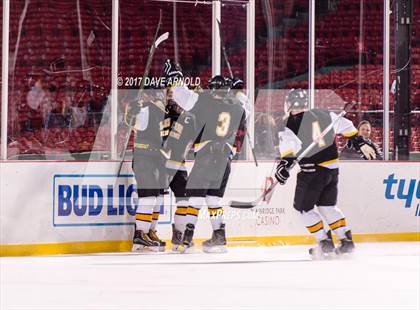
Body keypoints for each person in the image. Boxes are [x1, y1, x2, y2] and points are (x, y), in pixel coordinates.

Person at [275, 89, 377, 259]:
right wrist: (359, 141)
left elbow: (288, 152)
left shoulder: (289, 125)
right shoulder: (325, 114)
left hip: (312, 172)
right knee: (327, 207)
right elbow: (348, 127)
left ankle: (324, 243)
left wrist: (284, 166)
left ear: (289, 104)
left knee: (303, 209)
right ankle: (346, 241)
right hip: (332, 170)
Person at [165, 74, 246, 253]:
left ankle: (186, 239)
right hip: (225, 158)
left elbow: (180, 95)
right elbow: (243, 120)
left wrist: (177, 78)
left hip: (206, 156)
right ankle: (219, 236)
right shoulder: (238, 107)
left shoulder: (202, 101)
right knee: (214, 199)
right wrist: (239, 92)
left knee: (194, 198)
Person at [125, 87, 167, 252]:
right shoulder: (146, 108)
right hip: (145, 158)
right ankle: (140, 234)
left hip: (158, 158)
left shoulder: (165, 112)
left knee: (159, 198)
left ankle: (150, 231)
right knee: (148, 196)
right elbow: (133, 122)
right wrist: (133, 112)